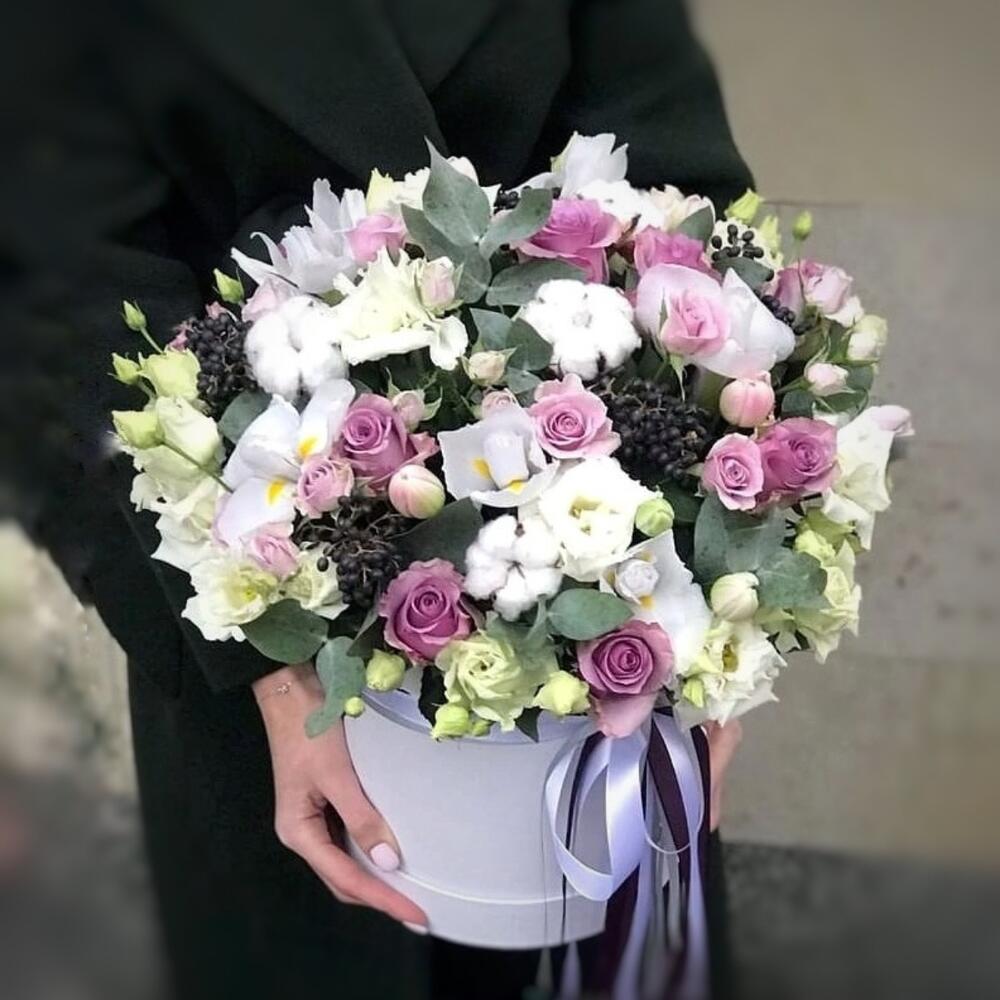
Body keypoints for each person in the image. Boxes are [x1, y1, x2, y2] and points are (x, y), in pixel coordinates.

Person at [4, 1, 752, 996]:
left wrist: (707, 624)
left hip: (607, 584)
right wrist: (273, 672)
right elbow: (61, 298)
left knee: (598, 949)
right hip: (256, 605)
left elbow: (676, 185)